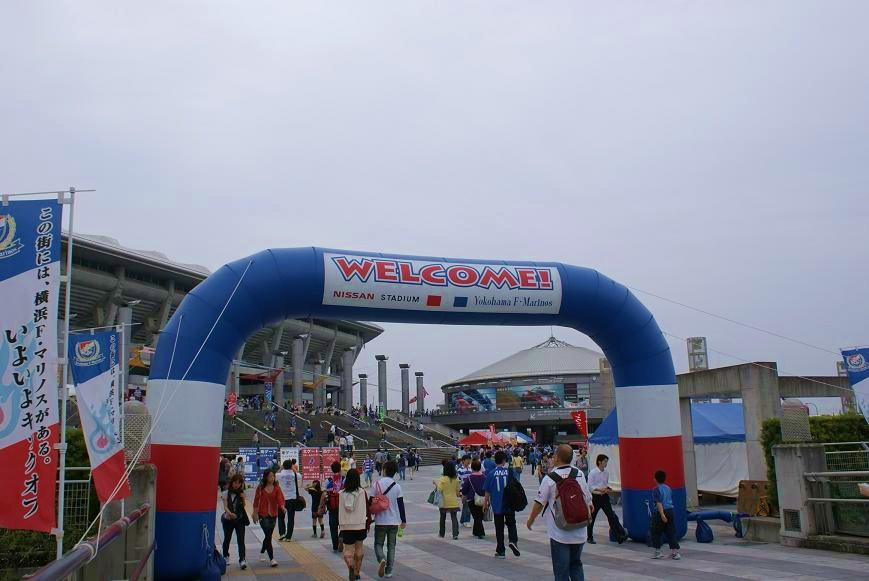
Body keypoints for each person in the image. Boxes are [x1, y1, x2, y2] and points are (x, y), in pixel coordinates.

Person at [526, 444, 594, 581]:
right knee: (576, 565)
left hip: (559, 532)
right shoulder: (579, 474)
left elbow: (539, 503)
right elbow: (589, 502)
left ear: (557, 457)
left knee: (561, 570)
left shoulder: (550, 478)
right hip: (580, 530)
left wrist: (530, 520)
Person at [373, 460, 407, 578]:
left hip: (380, 521)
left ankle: (381, 559)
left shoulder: (376, 484)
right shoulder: (397, 486)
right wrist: (403, 520)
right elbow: (401, 505)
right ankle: (389, 571)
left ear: (384, 470)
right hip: (393, 521)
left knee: (378, 544)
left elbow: (371, 502)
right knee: (391, 546)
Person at [484, 451, 520, 558]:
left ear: (495, 461)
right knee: (511, 524)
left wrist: (485, 504)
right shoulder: (509, 472)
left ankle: (501, 551)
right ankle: (513, 541)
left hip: (497, 505)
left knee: (499, 528)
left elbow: (487, 491)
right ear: (504, 461)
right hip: (509, 504)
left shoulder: (491, 474)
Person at [339, 468, 368, 581]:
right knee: (359, 548)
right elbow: (367, 507)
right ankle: (357, 572)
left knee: (348, 550)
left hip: (346, 526)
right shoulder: (362, 492)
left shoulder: (341, 494)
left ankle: (350, 566)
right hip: (360, 524)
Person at [252, 469, 285, 567]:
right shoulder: (260, 488)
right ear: (266, 477)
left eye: (273, 476)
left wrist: (282, 507)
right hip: (263, 514)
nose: (272, 478)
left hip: (273, 515)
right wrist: (255, 513)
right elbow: (256, 501)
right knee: (268, 535)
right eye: (270, 476)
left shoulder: (277, 488)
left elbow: (280, 499)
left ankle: (262, 551)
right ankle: (272, 559)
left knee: (268, 536)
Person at [587, 454, 620, 545]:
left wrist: (607, 488)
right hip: (596, 497)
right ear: (599, 462)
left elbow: (605, 484)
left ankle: (617, 535)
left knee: (611, 516)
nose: (606, 463)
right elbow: (590, 486)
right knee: (592, 517)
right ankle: (589, 537)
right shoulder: (593, 473)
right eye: (605, 461)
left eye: (606, 461)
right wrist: (599, 490)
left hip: (604, 497)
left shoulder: (606, 473)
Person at [650, 470, 681, 560]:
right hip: (670, 511)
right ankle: (675, 553)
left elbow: (658, 503)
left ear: (655, 479)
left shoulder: (656, 489)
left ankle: (658, 552)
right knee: (670, 532)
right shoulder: (668, 488)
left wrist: (662, 515)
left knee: (656, 532)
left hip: (660, 512)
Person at [221, 474, 249, 570]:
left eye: (239, 483)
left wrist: (243, 498)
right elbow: (225, 507)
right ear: (232, 482)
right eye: (235, 482)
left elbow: (243, 505)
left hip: (239, 519)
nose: (237, 485)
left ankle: (242, 559)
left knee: (241, 539)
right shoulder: (225, 493)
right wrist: (230, 514)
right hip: (228, 519)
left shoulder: (241, 493)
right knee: (227, 538)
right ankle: (225, 556)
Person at [435, 461, 462, 540]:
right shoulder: (456, 479)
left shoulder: (442, 479)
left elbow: (439, 490)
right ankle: (455, 534)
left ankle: (442, 533)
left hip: (444, 502)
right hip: (454, 501)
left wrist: (435, 483)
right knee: (454, 518)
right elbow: (457, 492)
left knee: (442, 517)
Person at [321, 461, 344, 552]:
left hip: (331, 507)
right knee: (343, 525)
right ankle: (341, 536)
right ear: (340, 468)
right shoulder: (344, 479)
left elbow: (324, 492)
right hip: (342, 507)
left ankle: (335, 546)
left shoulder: (328, 480)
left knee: (333, 527)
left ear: (332, 469)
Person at [461, 459, 487, 539]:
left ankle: (480, 533)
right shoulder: (484, 477)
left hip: (472, 499)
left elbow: (464, 490)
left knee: (476, 516)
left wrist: (463, 497)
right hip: (483, 499)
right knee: (479, 515)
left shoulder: (469, 478)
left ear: (472, 468)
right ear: (480, 468)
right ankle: (475, 532)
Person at [277, 459, 300, 542]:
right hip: (292, 498)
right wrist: (293, 468)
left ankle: (282, 534)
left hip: (281, 499)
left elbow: (275, 474)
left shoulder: (279, 475)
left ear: (283, 466)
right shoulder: (295, 474)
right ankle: (288, 536)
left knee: (280, 517)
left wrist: (281, 468)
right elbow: (299, 475)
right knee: (291, 518)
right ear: (291, 466)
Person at [457, 455, 472, 528]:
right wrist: (460, 492)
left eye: (469, 460)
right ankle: (467, 521)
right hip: (464, 490)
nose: (469, 461)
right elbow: (458, 481)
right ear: (463, 461)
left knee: (466, 505)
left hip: (470, 490)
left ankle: (463, 520)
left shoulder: (470, 469)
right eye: (467, 460)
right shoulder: (460, 470)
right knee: (467, 506)